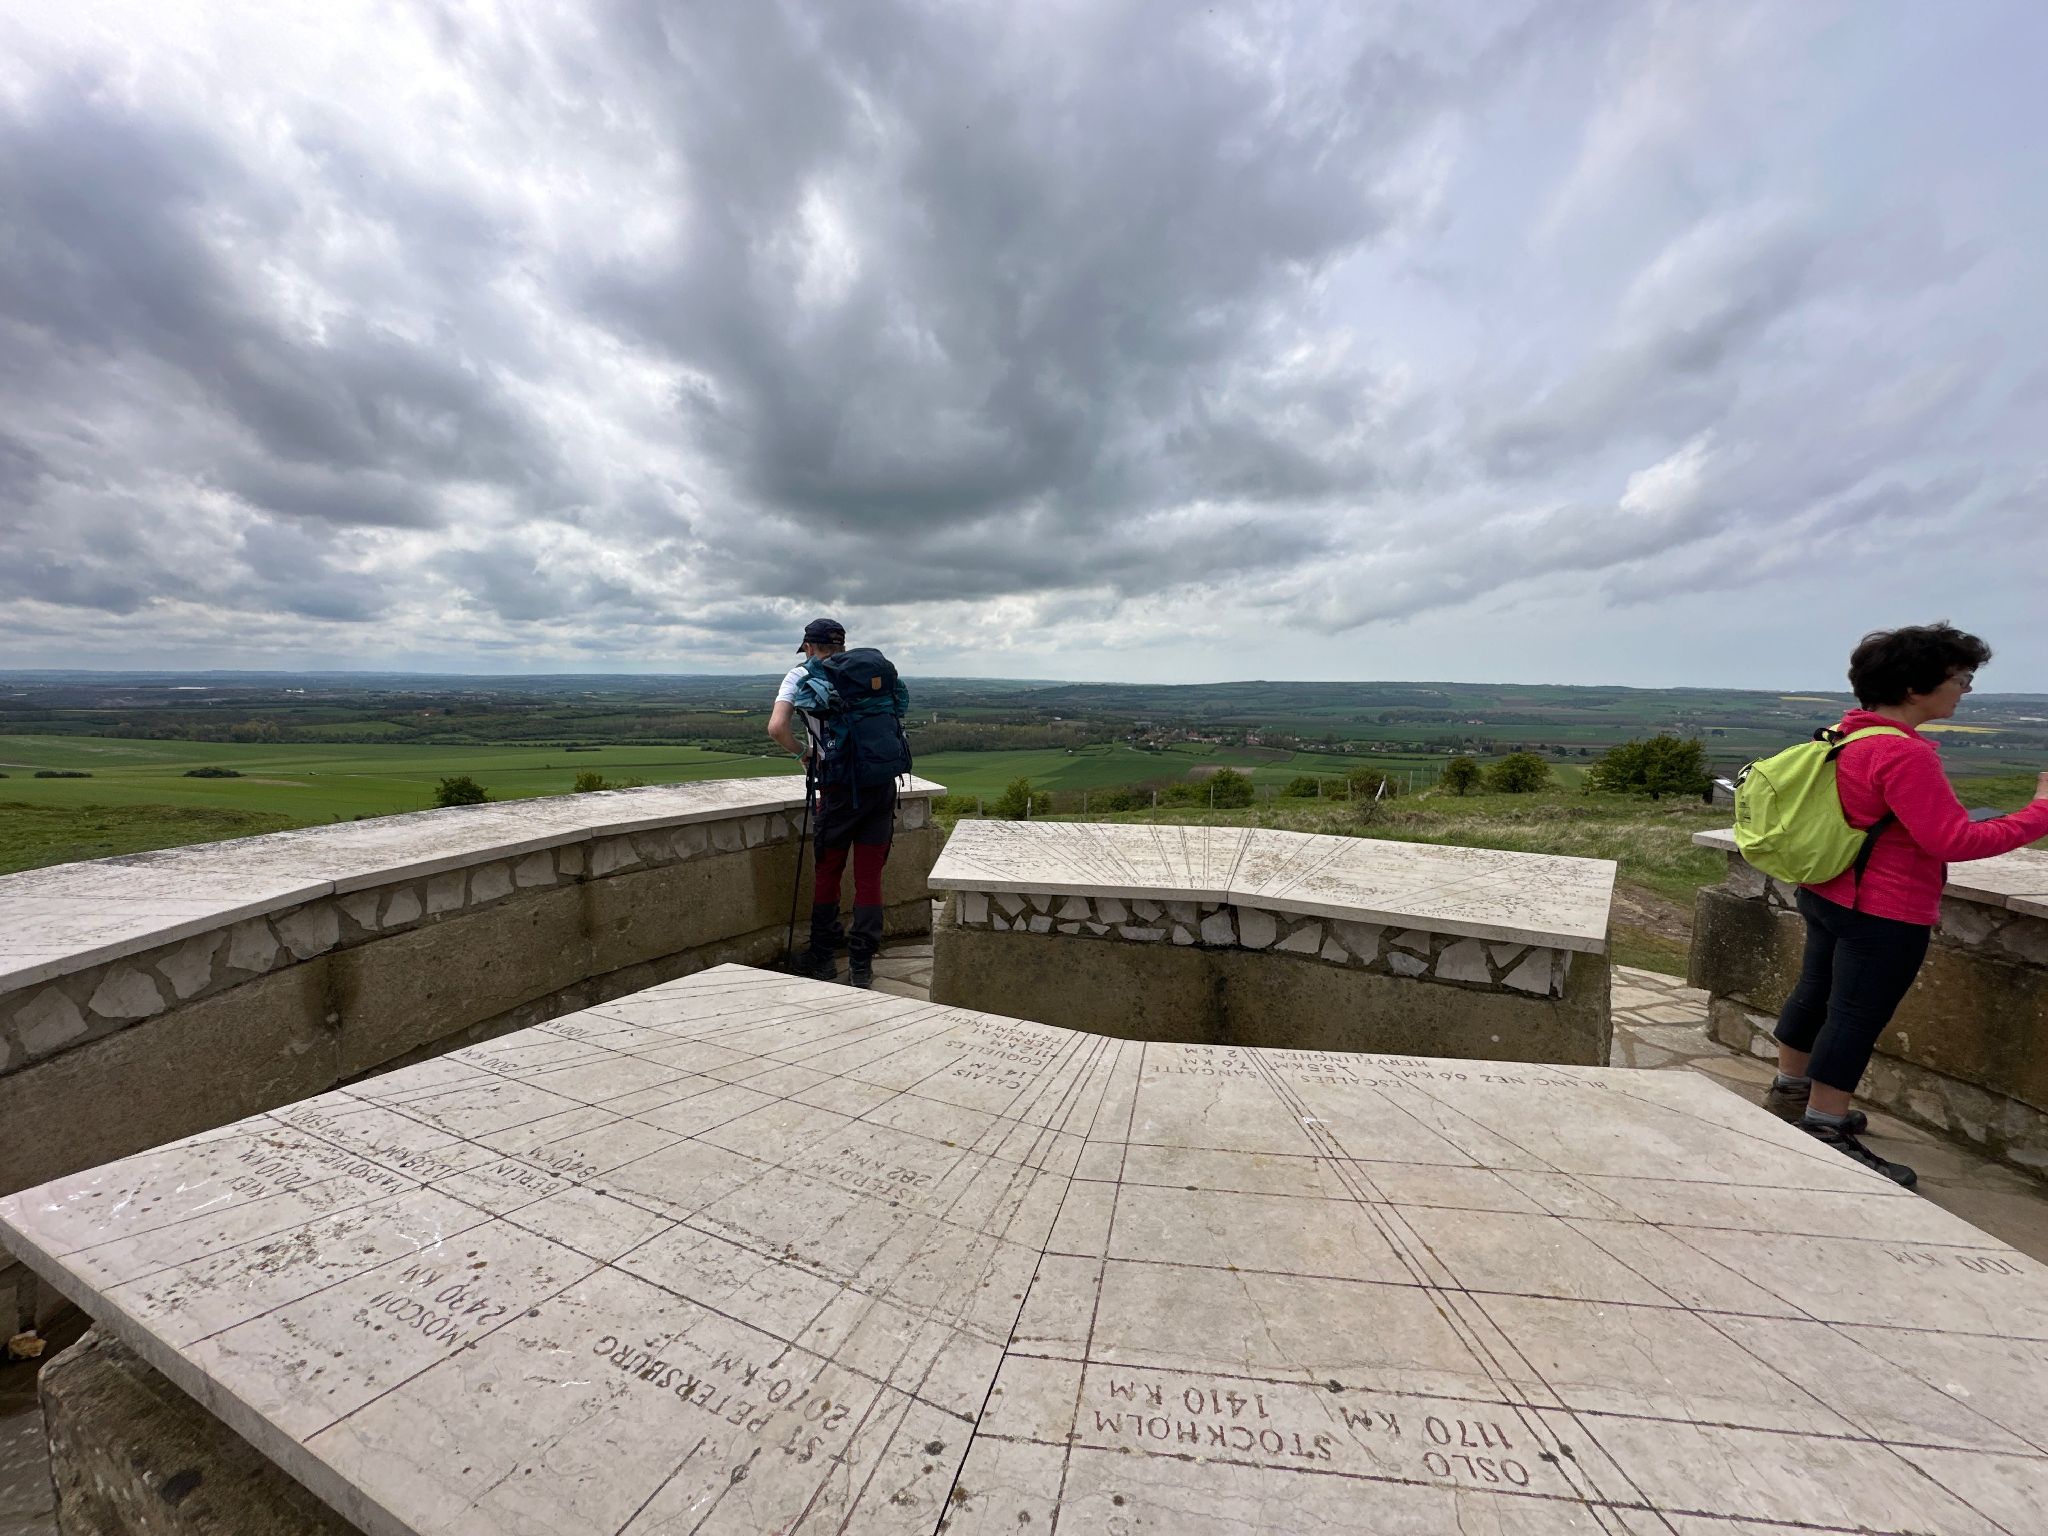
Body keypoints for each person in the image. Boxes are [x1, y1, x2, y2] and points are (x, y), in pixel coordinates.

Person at [1764, 622, 2048, 1186]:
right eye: (1961, 677)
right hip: (1884, 908)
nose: (1965, 688)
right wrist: (2041, 810)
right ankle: (1825, 1125)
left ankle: (1790, 1092)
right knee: (1854, 1015)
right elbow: (1954, 841)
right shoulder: (1906, 756)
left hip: (1825, 889)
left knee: (1814, 995)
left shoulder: (1847, 736)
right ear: (1917, 689)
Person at [767, 617, 911, 988]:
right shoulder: (870, 673)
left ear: (809, 647)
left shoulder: (801, 675)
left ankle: (822, 958)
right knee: (869, 877)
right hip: (880, 787)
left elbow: (777, 728)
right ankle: (862, 964)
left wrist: (804, 752)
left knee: (828, 872)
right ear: (843, 646)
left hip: (837, 789)